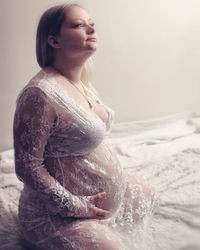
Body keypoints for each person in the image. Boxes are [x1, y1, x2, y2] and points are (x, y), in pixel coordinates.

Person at [13, 3, 156, 250]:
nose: (91, 28)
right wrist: (76, 205)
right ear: (54, 41)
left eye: (92, 23)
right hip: (57, 215)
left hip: (94, 201)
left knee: (147, 193)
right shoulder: (39, 94)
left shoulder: (79, 81)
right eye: (79, 25)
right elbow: (27, 166)